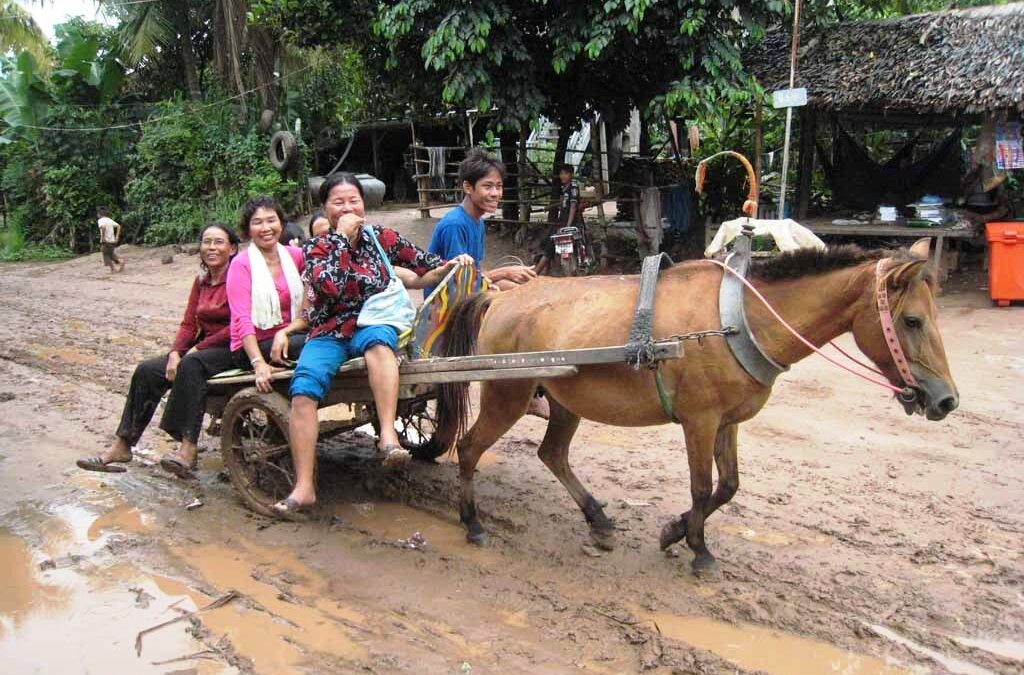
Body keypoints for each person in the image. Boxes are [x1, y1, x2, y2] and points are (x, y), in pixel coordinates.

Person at [272, 173, 472, 519]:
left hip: (372, 321)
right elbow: (328, 287)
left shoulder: (381, 237)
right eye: (338, 202)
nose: (348, 207)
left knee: (381, 343)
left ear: (364, 204)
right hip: (330, 329)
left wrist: (453, 264)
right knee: (303, 390)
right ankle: (304, 487)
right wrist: (340, 238)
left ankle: (388, 436)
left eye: (354, 200)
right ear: (326, 208)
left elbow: (423, 262)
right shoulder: (316, 248)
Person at [76, 223, 239, 475]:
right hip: (202, 352)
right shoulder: (202, 282)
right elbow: (189, 323)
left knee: (190, 366)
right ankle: (123, 444)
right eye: (207, 242)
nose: (211, 247)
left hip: (235, 346)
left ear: (232, 248)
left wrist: (195, 352)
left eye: (219, 242)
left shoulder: (239, 278)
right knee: (147, 370)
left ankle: (188, 449)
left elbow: (239, 324)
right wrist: (175, 351)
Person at [426, 148, 537, 294]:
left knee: (517, 290)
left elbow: (475, 270)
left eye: (499, 186)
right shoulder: (454, 224)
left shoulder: (477, 221)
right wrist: (505, 272)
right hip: (445, 300)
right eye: (487, 186)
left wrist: (496, 278)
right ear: (468, 187)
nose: (495, 194)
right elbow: (460, 278)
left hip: (466, 286)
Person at [226, 196, 308, 391]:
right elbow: (241, 319)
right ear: (248, 230)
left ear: (281, 223)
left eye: (271, 220)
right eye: (257, 222)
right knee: (310, 345)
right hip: (253, 346)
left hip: (289, 334)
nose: (265, 228)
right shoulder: (241, 264)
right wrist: (258, 363)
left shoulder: (295, 256)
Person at [536, 163, 590, 276]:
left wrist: (568, 226)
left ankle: (536, 272)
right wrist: (550, 207)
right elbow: (564, 203)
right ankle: (544, 270)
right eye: (561, 173)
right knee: (546, 241)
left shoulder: (573, 187)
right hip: (561, 221)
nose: (562, 176)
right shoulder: (565, 188)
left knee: (550, 244)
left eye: (565, 173)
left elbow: (573, 207)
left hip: (569, 222)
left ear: (571, 174)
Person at [97, 208, 125, 273]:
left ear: (99, 214)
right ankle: (120, 262)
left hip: (106, 241)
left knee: (105, 254)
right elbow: (118, 226)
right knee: (110, 254)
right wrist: (117, 237)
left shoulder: (100, 220)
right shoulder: (109, 220)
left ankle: (113, 268)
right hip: (112, 241)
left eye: (97, 214)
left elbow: (103, 227)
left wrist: (103, 238)